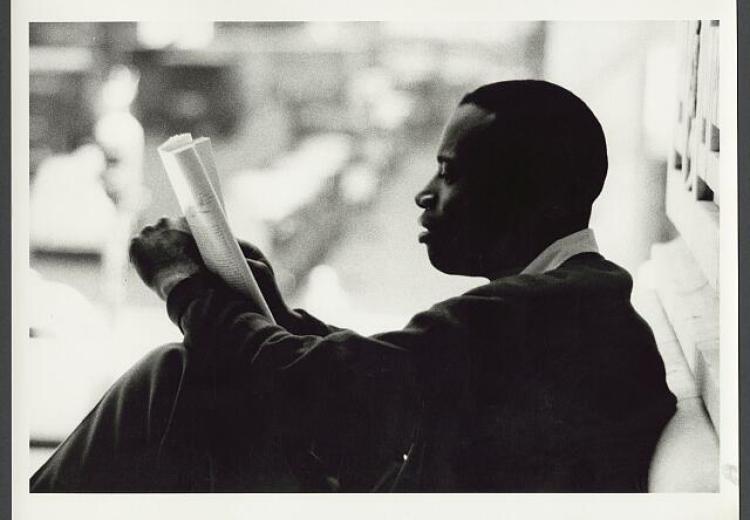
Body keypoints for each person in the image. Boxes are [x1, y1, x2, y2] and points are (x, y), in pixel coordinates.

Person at [30, 80, 676, 492]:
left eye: (448, 173)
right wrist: (274, 309)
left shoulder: (545, 306)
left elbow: (337, 391)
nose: (425, 195)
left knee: (175, 379)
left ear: (535, 193)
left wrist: (181, 284)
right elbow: (385, 375)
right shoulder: (572, 297)